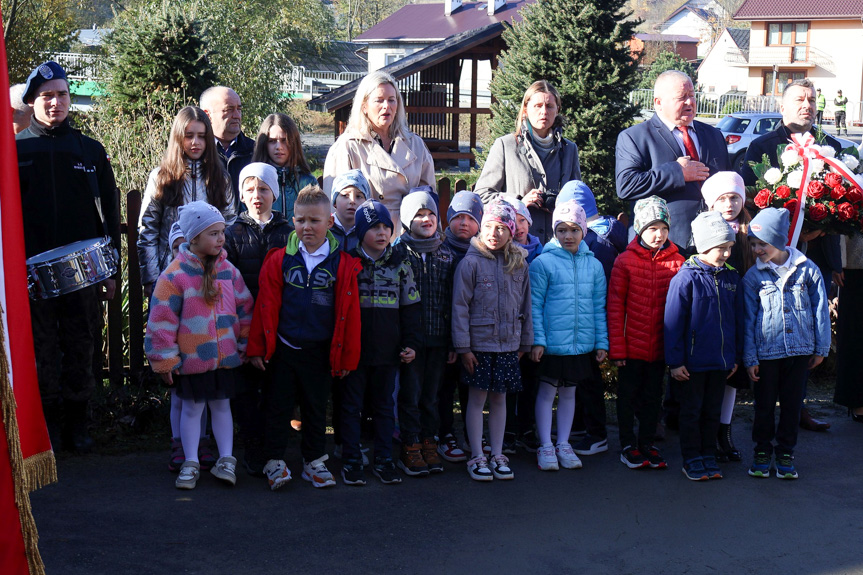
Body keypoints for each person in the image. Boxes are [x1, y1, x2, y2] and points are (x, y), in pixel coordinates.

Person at [17, 61, 121, 452]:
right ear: (32, 101)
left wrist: (113, 273)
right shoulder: (15, 149)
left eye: (61, 95)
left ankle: (78, 427)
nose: (55, 103)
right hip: (29, 274)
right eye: (46, 96)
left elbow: (110, 214)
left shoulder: (89, 150)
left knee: (81, 347)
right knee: (39, 351)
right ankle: (44, 428)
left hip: (83, 275)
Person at [740, 78, 841, 432]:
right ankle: (765, 407)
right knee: (769, 327)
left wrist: (821, 229)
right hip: (770, 259)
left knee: (806, 327)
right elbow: (750, 200)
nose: (807, 105)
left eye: (812, 99)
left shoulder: (832, 148)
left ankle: (798, 408)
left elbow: (842, 201)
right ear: (782, 106)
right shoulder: (762, 147)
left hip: (815, 254)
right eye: (799, 99)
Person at [247, 185, 362, 490]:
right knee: (277, 406)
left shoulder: (343, 263)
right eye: (300, 220)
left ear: (330, 222)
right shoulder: (279, 259)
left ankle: (314, 461)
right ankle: (274, 460)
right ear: (293, 220)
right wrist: (258, 347)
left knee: (315, 408)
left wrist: (347, 356)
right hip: (283, 349)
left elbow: (350, 316)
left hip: (319, 351)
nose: (306, 227)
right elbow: (265, 307)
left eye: (314, 221)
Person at [145, 201, 254, 489]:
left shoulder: (229, 271)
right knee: (193, 409)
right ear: (193, 238)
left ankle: (227, 459)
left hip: (226, 358)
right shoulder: (175, 275)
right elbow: (161, 320)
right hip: (192, 360)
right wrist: (165, 360)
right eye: (214, 233)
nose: (221, 239)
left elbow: (244, 308)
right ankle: (190, 461)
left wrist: (244, 343)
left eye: (222, 233)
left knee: (222, 407)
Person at [742, 208, 830, 479]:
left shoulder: (807, 270)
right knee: (764, 405)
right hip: (767, 353)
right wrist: (750, 357)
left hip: (800, 351)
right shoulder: (753, 278)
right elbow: (747, 320)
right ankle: (761, 450)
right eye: (753, 244)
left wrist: (821, 347)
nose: (757, 249)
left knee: (792, 405)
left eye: (762, 243)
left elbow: (820, 310)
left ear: (779, 240)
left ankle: (785, 452)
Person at [452, 199, 533, 481]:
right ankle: (477, 454)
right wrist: (463, 347)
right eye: (488, 226)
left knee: (500, 400)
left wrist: (525, 343)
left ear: (511, 232)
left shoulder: (519, 263)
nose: (493, 233)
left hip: (509, 346)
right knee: (476, 400)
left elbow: (526, 306)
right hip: (479, 347)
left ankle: (497, 453)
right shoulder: (471, 263)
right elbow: (460, 307)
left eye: (501, 228)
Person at [341, 200, 420, 485]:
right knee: (351, 407)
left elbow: (411, 309)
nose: (382, 232)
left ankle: (384, 459)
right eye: (374, 226)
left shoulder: (401, 265)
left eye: (387, 226)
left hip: (388, 352)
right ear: (361, 231)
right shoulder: (347, 263)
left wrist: (410, 343)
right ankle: (351, 459)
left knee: (385, 407)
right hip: (354, 352)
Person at [223, 163, 293, 476]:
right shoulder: (232, 234)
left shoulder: (287, 232)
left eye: (263, 189)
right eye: (250, 190)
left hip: (279, 325)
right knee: (246, 392)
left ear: (274, 193)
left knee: (277, 390)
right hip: (244, 326)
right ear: (241, 195)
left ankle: (273, 447)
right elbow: (227, 284)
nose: (257, 196)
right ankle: (251, 443)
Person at [529, 200, 608, 471]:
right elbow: (534, 305)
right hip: (552, 345)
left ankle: (563, 443)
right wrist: (537, 340)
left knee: (570, 392)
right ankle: (545, 445)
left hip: (580, 345)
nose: (568, 236)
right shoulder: (542, 263)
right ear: (554, 232)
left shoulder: (594, 266)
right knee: (547, 392)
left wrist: (601, 342)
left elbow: (599, 306)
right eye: (561, 230)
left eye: (574, 229)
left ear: (583, 231)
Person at [608, 196, 683, 470]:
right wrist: (617, 349)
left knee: (654, 397)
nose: (659, 234)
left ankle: (648, 442)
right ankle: (628, 444)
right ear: (640, 228)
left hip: (661, 347)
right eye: (652, 228)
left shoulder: (677, 261)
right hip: (631, 347)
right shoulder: (625, 261)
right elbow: (615, 307)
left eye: (663, 228)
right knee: (628, 396)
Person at [665, 211, 741, 481]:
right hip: (692, 365)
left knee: (712, 412)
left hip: (721, 363)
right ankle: (692, 458)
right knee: (692, 412)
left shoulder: (732, 279)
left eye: (730, 247)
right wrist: (675, 362)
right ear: (704, 246)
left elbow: (737, 321)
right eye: (721, 248)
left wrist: (734, 357)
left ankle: (709, 455)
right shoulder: (686, 279)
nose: (726, 254)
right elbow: (673, 324)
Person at [616, 70, 729, 251]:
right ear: (658, 103)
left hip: (712, 245)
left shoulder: (713, 135)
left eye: (692, 96)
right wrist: (677, 172)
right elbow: (626, 185)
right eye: (681, 97)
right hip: (663, 246)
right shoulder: (634, 137)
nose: (689, 102)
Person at [138, 106, 236, 297]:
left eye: (201, 136)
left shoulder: (220, 178)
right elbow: (147, 230)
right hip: (169, 274)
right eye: (189, 135)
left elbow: (230, 226)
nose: (195, 142)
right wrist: (151, 278)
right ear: (178, 137)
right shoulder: (161, 177)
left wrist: (220, 269)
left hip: (210, 276)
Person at [323, 70, 435, 237]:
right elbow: (335, 206)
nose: (386, 106)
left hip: (411, 239)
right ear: (364, 106)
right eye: (379, 100)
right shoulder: (347, 146)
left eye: (392, 100)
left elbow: (430, 199)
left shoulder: (415, 144)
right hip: (367, 239)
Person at [393, 188, 455, 476]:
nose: (426, 218)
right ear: (407, 219)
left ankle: (430, 440)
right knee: (411, 395)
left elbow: (452, 300)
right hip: (411, 341)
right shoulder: (398, 252)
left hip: (439, 338)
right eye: (419, 214)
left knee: (432, 395)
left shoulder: (445, 254)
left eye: (430, 213)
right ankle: (411, 444)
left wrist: (454, 342)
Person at [475, 80, 582, 243]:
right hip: (515, 246)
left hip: (558, 246)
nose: (544, 112)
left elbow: (577, 199)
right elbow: (482, 195)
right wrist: (518, 201)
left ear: (557, 109)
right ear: (525, 109)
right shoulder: (506, 146)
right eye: (537, 106)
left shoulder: (569, 150)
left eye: (549, 106)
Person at [701, 172, 753, 462]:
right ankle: (707, 432)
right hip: (713, 315)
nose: (729, 204)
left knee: (733, 378)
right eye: (722, 199)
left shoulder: (747, 233)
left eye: (734, 197)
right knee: (714, 375)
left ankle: (725, 431)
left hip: (737, 314)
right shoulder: (705, 233)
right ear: (711, 204)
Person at [437, 190, 484, 462]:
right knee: (444, 389)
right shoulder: (441, 249)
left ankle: (472, 435)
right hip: (445, 335)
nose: (463, 223)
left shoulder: (483, 253)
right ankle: (445, 434)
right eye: (457, 217)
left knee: (471, 388)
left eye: (470, 218)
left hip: (475, 338)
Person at [251, 113, 317, 222]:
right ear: (264, 144)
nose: (279, 147)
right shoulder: (253, 181)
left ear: (293, 142)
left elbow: (318, 219)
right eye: (272, 141)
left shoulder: (308, 182)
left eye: (284, 140)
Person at [200, 86, 254, 208]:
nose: (236, 115)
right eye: (228, 110)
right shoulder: (196, 153)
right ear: (207, 115)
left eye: (239, 109)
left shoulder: (255, 152)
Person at [329, 169, 369, 252]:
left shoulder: (368, 230)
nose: (352, 201)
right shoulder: (324, 228)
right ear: (334, 201)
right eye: (345, 195)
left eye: (359, 196)